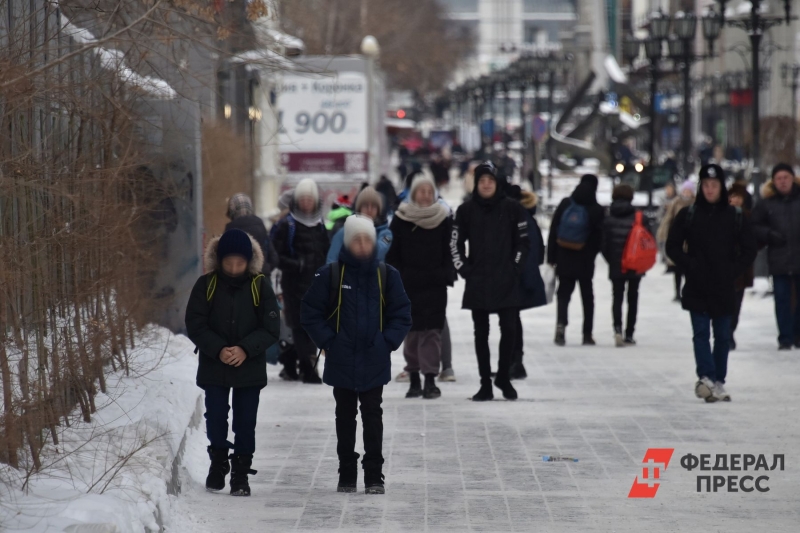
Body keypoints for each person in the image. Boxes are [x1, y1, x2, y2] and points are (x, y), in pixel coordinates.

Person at [301, 215, 412, 494]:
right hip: (341, 358)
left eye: (366, 239)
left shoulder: (387, 275)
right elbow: (310, 312)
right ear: (348, 243)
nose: (362, 245)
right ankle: (346, 470)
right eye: (356, 240)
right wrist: (328, 341)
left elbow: (402, 314)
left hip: (374, 358)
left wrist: (386, 342)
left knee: (373, 416)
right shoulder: (331, 274)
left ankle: (374, 473)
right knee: (345, 415)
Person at [185, 229, 280, 496]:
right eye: (229, 263)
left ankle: (240, 473)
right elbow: (195, 323)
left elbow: (271, 327)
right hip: (215, 366)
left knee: (245, 421)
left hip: (248, 368)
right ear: (220, 260)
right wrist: (217, 349)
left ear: (249, 262)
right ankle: (218, 462)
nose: (235, 268)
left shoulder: (259, 285)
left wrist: (245, 349)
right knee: (215, 416)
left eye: (240, 263)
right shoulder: (207, 285)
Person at [666, 164, 756, 403]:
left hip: (724, 285)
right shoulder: (689, 214)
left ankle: (718, 380)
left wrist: (733, 270)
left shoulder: (734, 216)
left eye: (714, 185)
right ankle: (706, 376)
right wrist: (689, 265)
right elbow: (672, 245)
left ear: (721, 187)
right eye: (705, 185)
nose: (709, 190)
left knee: (723, 335)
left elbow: (749, 248)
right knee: (701, 333)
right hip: (697, 285)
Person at [451, 162, 530, 401]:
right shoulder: (465, 210)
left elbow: (523, 243)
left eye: (491, 181)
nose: (486, 184)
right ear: (476, 184)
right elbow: (454, 243)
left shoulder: (513, 208)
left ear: (497, 184)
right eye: (482, 180)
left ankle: (503, 377)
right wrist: (464, 269)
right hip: (479, 281)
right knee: (480, 333)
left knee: (509, 329)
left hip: (506, 280)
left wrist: (515, 267)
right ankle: (485, 382)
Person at [386, 175, 453, 399]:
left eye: (428, 191)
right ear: (413, 194)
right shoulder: (401, 219)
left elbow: (449, 250)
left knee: (433, 332)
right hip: (408, 285)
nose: (424, 195)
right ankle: (414, 379)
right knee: (412, 333)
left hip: (435, 285)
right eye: (420, 191)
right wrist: (400, 277)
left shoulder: (443, 218)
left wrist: (446, 274)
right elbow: (392, 254)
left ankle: (430, 380)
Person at [272, 179, 330, 383]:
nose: (306, 203)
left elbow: (325, 252)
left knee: (313, 327)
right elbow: (275, 255)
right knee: (298, 327)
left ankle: (305, 365)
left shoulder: (320, 225)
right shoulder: (287, 225)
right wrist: (297, 264)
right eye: (302, 199)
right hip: (294, 285)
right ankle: (307, 368)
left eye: (309, 199)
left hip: (315, 286)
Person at [547, 174, 605, 346]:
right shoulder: (596, 209)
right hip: (585, 260)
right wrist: (592, 253)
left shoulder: (566, 204)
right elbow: (599, 238)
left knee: (564, 294)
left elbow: (553, 231)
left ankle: (560, 328)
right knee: (587, 296)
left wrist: (551, 257)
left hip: (564, 258)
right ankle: (587, 334)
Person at [752, 163, 800, 350]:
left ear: (792, 179)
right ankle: (785, 337)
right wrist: (769, 234)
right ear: (773, 182)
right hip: (779, 259)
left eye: (785, 178)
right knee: (781, 299)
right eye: (778, 179)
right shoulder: (766, 204)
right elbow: (754, 226)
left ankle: (797, 334)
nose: (782, 182)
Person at [601, 184, 653, 346]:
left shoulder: (608, 218)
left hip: (617, 264)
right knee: (633, 297)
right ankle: (629, 333)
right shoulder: (639, 217)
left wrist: (612, 260)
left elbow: (603, 244)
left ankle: (617, 329)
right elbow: (649, 241)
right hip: (635, 263)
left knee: (617, 297)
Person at [506, 185, 547, 380]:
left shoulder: (518, 216)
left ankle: (516, 363)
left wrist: (525, 278)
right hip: (518, 275)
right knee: (511, 319)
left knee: (512, 319)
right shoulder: (524, 214)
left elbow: (531, 251)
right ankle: (512, 362)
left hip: (518, 277)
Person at [327, 186, 392, 264]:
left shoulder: (385, 234)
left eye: (373, 206)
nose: (369, 210)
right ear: (359, 208)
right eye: (365, 206)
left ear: (378, 210)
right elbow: (332, 259)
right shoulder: (345, 231)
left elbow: (378, 252)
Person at [658, 180, 695, 301]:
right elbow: (668, 217)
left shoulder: (696, 203)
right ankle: (677, 292)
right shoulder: (676, 202)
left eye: (689, 190)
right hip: (678, 239)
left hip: (692, 240)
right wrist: (663, 232)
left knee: (689, 269)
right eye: (685, 190)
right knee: (678, 268)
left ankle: (688, 291)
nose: (687, 192)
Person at [728, 181, 755, 351]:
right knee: (725, 302)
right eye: (732, 196)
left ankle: (730, 331)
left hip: (742, 267)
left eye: (738, 196)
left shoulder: (749, 217)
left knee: (736, 304)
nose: (734, 200)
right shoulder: (722, 215)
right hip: (723, 266)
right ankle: (725, 333)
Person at [225, 193, 278, 275]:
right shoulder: (259, 224)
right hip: (262, 277)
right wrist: (266, 268)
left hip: (241, 279)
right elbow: (273, 256)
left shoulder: (230, 229)